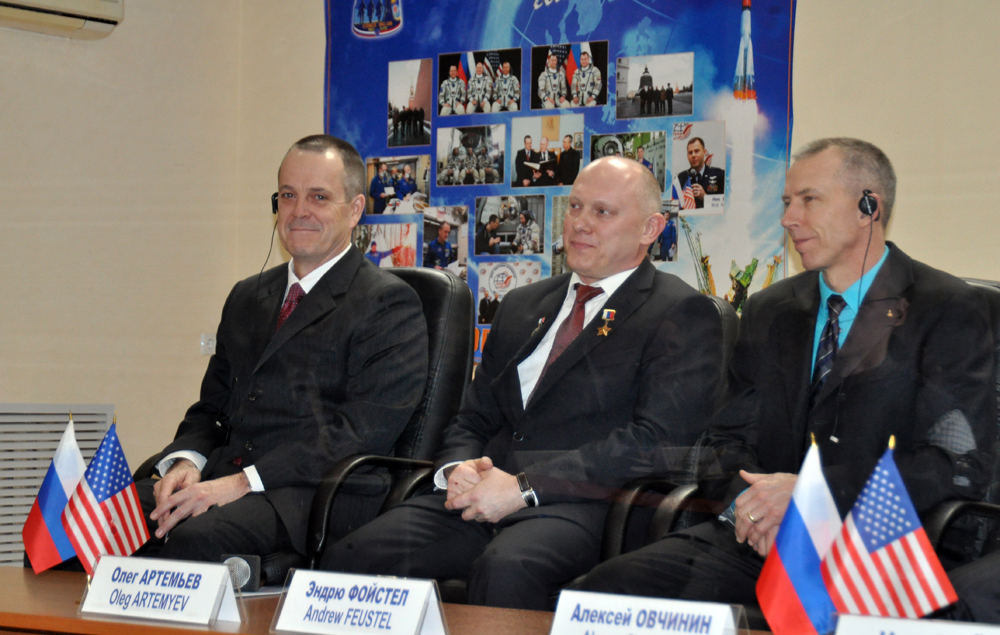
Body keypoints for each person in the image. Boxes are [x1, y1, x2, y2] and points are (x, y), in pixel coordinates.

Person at [580, 138, 997, 611]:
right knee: (606, 592)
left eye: (809, 200)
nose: (788, 219)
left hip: (877, 544)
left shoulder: (946, 308)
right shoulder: (771, 309)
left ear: (869, 207)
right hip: (762, 539)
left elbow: (955, 464)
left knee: (801, 623)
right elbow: (724, 442)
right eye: (786, 202)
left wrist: (812, 498)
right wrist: (755, 507)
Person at [321, 156, 726, 610]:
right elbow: (473, 417)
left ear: (650, 228)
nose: (580, 223)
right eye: (575, 207)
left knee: (507, 568)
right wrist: (457, 468)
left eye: (602, 212)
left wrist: (525, 486)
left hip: (589, 507)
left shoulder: (680, 313)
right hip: (483, 495)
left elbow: (655, 441)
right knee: (349, 556)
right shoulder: (521, 304)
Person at [138, 135, 428, 563]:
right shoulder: (247, 296)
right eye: (288, 195)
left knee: (196, 539)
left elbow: (356, 433)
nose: (299, 211)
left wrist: (242, 483)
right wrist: (187, 462)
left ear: (355, 210)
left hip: (312, 495)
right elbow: (211, 409)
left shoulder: (388, 303)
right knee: (87, 522)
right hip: (223, 477)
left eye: (319, 197)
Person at [674, 137, 724, 209]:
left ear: (704, 152)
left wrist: (705, 197)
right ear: (687, 156)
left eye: (696, 151)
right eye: (690, 152)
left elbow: (725, 204)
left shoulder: (719, 175)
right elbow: (676, 206)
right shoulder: (681, 178)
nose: (693, 155)